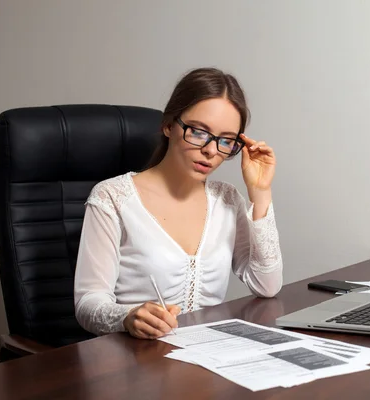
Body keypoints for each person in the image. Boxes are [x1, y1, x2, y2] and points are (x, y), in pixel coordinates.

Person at [74, 67, 283, 340]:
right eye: (198, 132)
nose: (210, 150)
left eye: (225, 141)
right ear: (169, 125)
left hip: (210, 359)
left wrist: (260, 191)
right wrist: (127, 317)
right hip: (135, 362)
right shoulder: (112, 198)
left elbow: (267, 285)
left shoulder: (227, 200)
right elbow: (88, 303)